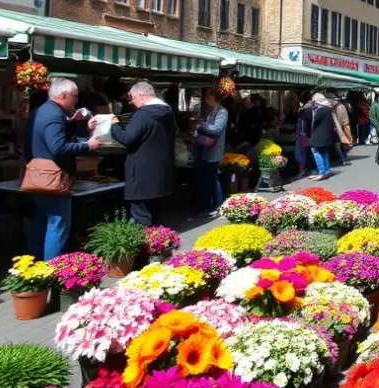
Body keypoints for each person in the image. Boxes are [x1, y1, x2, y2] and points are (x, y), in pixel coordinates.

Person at [25, 78, 100, 260]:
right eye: (75, 97)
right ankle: (52, 269)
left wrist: (75, 123)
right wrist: (88, 145)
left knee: (42, 220)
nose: (76, 101)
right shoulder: (55, 115)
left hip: (37, 174)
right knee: (58, 224)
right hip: (54, 177)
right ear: (64, 95)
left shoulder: (40, 111)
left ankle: (32, 264)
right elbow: (58, 148)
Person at [108, 82, 176, 226]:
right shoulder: (168, 112)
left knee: (141, 218)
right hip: (160, 174)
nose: (131, 102)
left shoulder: (143, 114)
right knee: (155, 215)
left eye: (132, 98)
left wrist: (113, 125)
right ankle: (157, 240)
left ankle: (144, 241)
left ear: (142, 95)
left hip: (141, 176)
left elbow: (127, 138)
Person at [192, 90, 229, 216]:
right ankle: (207, 206)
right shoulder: (209, 111)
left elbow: (217, 129)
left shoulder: (222, 112)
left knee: (210, 179)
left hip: (214, 151)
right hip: (205, 150)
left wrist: (201, 125)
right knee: (206, 179)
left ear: (216, 99)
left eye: (209, 98)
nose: (207, 100)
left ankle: (213, 207)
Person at [307, 93, 338, 181]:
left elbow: (315, 120)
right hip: (326, 135)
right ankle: (327, 170)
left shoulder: (321, 110)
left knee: (315, 150)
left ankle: (321, 172)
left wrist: (313, 110)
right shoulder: (328, 108)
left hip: (319, 135)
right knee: (323, 152)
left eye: (314, 101)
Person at [331, 97, 352, 165]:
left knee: (338, 144)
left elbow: (336, 119)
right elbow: (346, 117)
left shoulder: (334, 107)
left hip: (337, 127)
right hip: (343, 126)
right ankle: (344, 158)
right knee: (343, 143)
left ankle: (342, 159)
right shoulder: (342, 106)